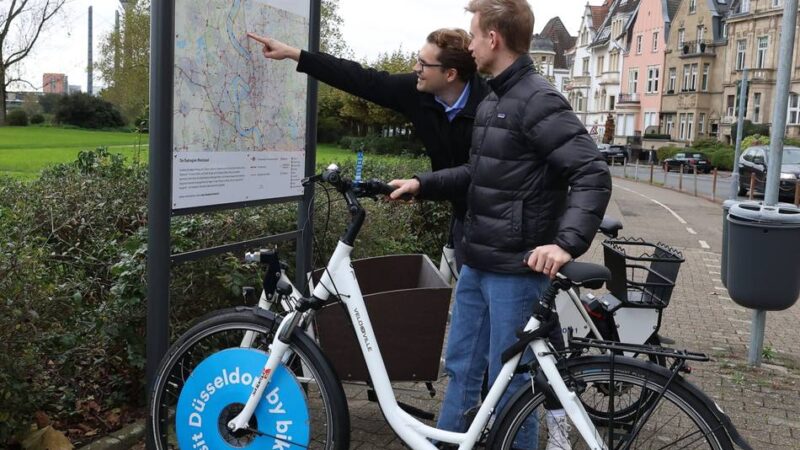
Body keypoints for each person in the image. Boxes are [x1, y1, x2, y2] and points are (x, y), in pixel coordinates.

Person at [390, 0, 612, 448]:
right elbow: (479, 174)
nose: (469, 45)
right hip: (477, 260)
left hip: (515, 268)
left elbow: (591, 172)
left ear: (493, 38)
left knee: (512, 387)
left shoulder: (537, 99)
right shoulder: (495, 99)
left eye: (473, 36)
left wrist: (566, 244)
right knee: (462, 369)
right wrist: (422, 183)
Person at [247, 28, 490, 269]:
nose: (416, 68)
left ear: (450, 74)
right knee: (470, 297)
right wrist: (294, 53)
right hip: (464, 217)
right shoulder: (417, 93)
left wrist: (423, 184)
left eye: (423, 64)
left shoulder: (491, 106)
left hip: (495, 218)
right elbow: (361, 79)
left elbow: (480, 172)